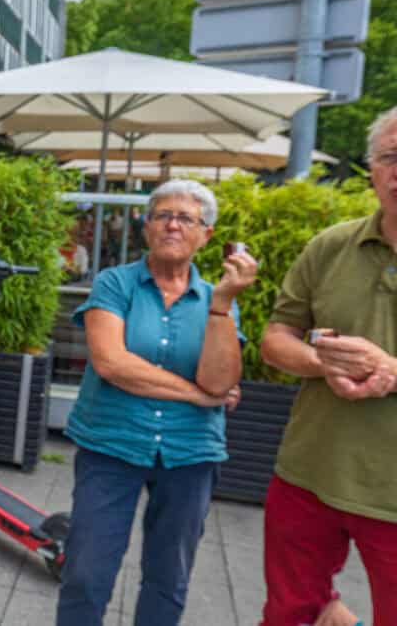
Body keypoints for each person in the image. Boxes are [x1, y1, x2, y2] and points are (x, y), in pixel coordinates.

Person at [56, 179, 258, 626]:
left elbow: (221, 378)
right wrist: (201, 395)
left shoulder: (216, 299)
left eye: (185, 218)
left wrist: (223, 304)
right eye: (162, 215)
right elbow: (112, 363)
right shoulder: (114, 283)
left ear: (206, 234)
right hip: (110, 445)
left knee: (169, 577)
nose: (172, 224)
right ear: (146, 226)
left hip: (191, 452)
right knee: (86, 573)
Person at [259, 106, 397, 626]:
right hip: (309, 472)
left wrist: (391, 370)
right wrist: (323, 362)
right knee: (289, 613)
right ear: (372, 169)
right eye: (391, 157)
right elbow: (277, 338)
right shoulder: (331, 246)